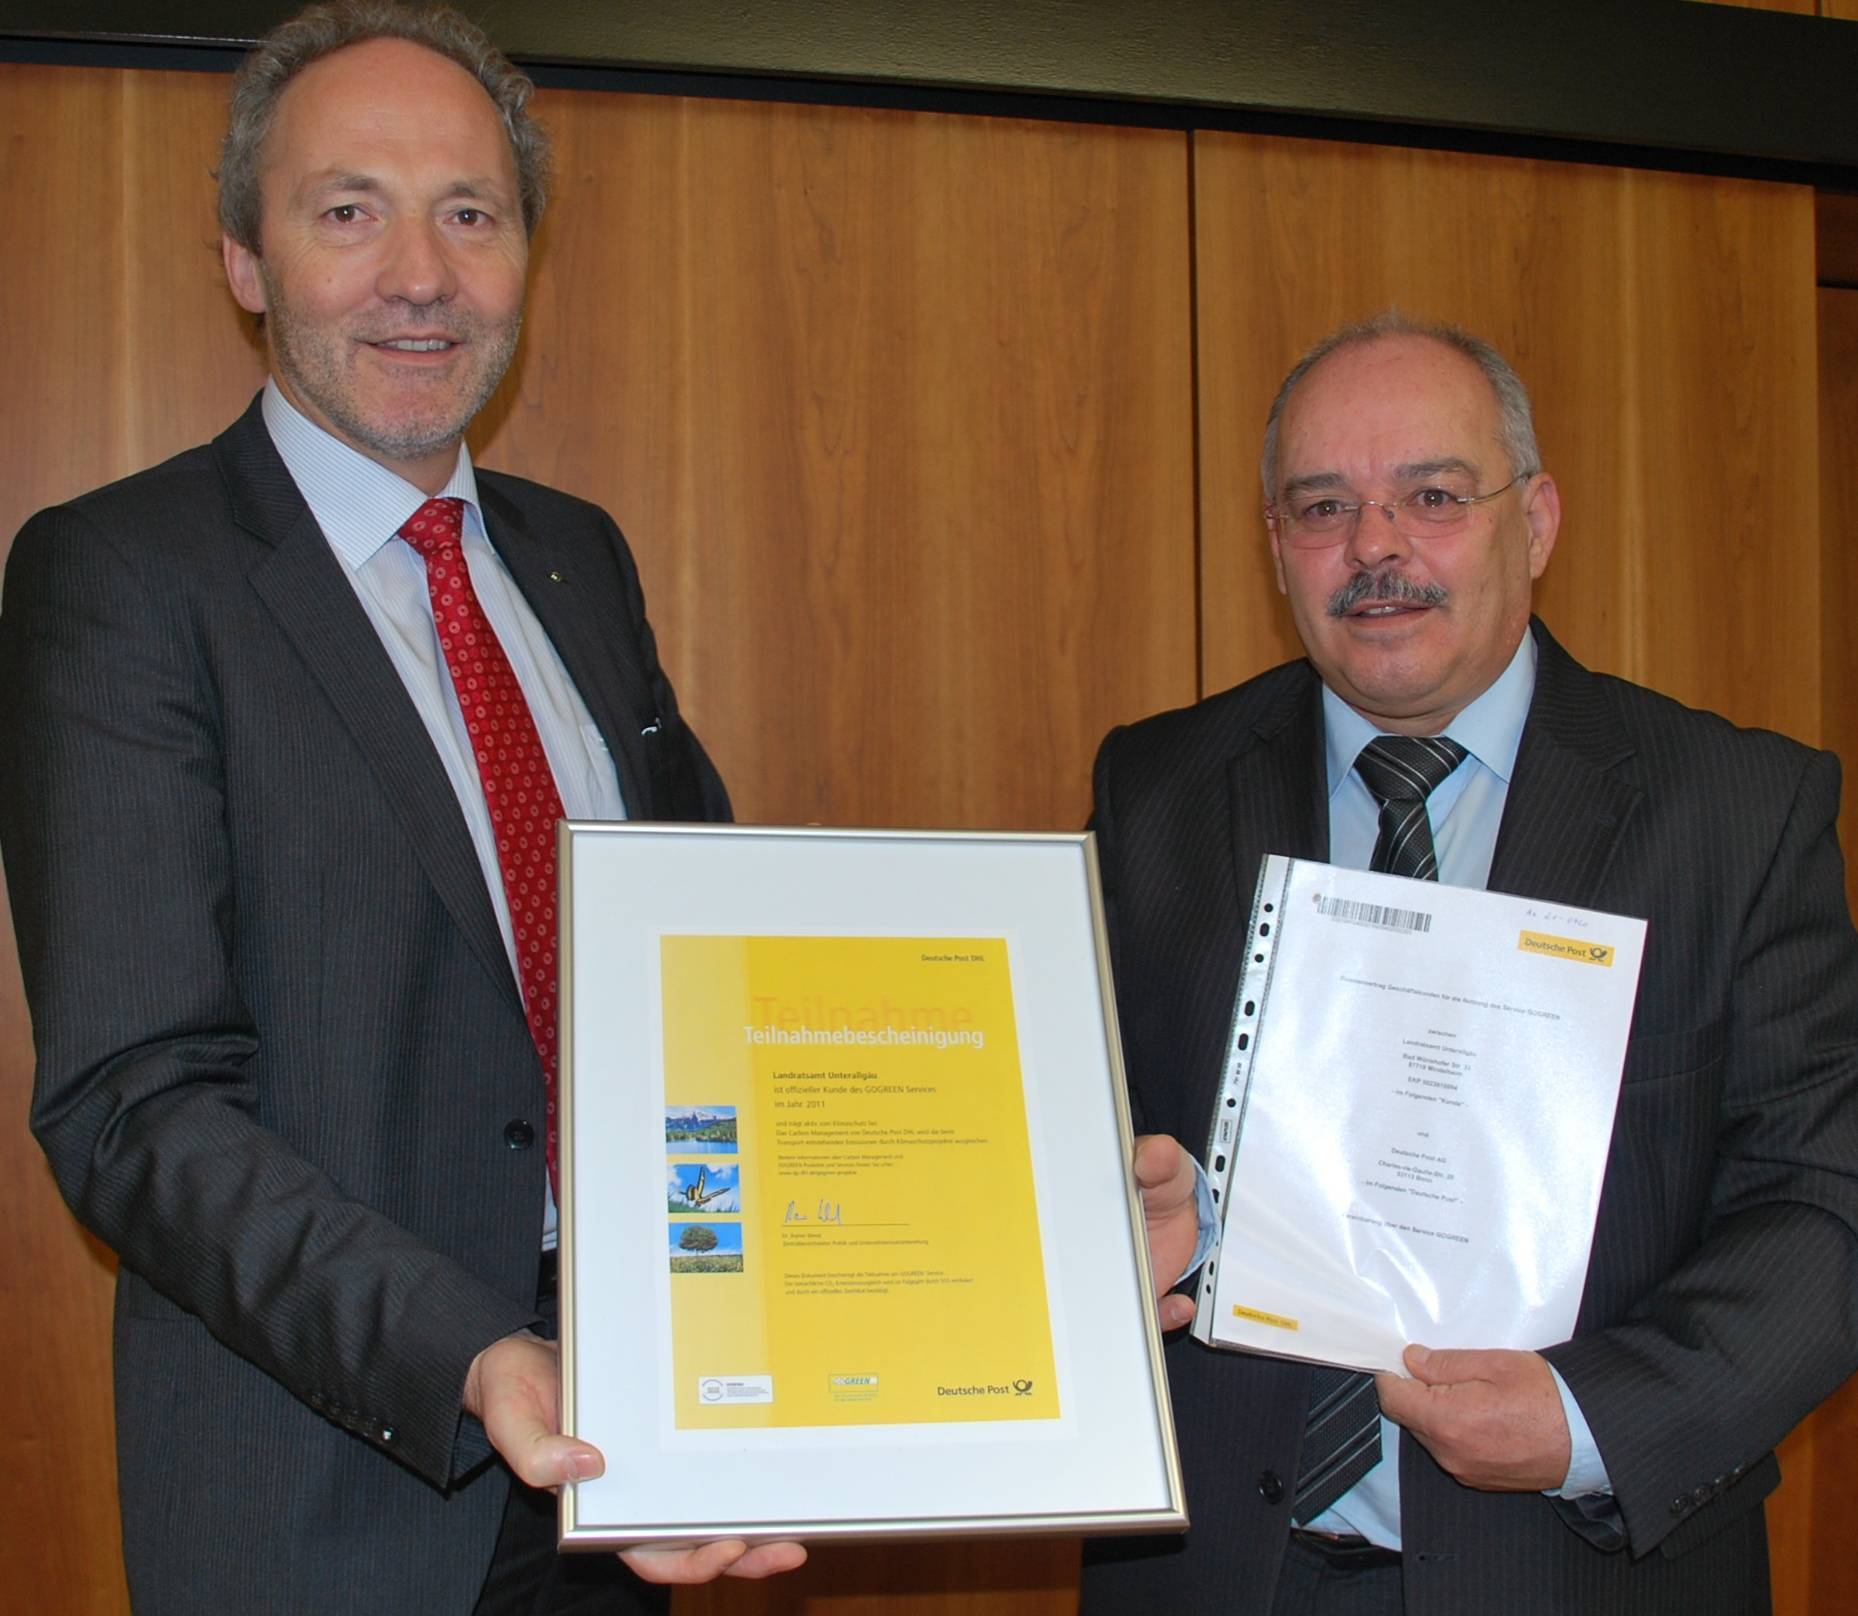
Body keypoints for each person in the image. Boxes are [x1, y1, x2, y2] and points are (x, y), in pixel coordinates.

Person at [0, 4, 804, 1611]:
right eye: (348, 210)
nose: (421, 275)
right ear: (246, 259)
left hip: (643, 1446)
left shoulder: (579, 559)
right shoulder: (121, 579)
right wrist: (470, 1355)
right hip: (336, 1488)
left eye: (470, 215)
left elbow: (719, 958)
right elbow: (135, 1109)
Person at [1096, 312, 1858, 1614]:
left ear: (1537, 521)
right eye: (1322, 505)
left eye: (1431, 496)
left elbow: (1822, 1201)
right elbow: (1093, 1142)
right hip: (1214, 1571)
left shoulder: (1735, 810)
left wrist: (1588, 1420)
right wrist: (1117, 1215)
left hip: (1581, 1570)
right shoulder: (1154, 786)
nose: (1374, 547)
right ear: (1275, 546)